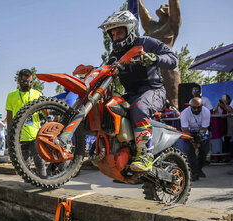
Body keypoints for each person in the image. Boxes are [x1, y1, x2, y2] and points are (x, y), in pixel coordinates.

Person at [76, 10, 178, 172]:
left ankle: (145, 155)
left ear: (130, 29)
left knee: (140, 108)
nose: (116, 36)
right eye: (113, 34)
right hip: (130, 94)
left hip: (153, 90)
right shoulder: (115, 53)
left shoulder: (146, 43)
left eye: (119, 32)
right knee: (107, 110)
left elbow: (173, 59)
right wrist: (92, 70)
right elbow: (106, 70)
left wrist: (153, 57)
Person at [138, 0, 181, 108]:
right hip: (152, 65)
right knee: (154, 99)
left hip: (168, 65)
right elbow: (143, 14)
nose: (162, 6)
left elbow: (175, 6)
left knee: (172, 102)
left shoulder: (172, 24)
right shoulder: (152, 26)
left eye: (165, 6)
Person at [6, 68, 46, 176]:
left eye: (30, 82)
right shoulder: (11, 96)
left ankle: (44, 182)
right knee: (24, 166)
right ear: (19, 81)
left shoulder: (37, 94)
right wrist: (9, 135)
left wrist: (46, 109)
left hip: (35, 136)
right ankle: (28, 186)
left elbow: (46, 113)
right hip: (19, 138)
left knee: (40, 163)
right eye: (25, 82)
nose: (28, 84)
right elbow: (9, 118)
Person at [180, 97, 211, 181]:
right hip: (188, 133)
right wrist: (193, 141)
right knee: (190, 152)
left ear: (202, 106)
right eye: (194, 108)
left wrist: (199, 138)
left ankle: (199, 168)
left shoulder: (206, 112)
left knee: (205, 151)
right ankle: (194, 172)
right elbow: (185, 130)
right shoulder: (185, 113)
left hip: (201, 131)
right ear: (190, 106)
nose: (196, 109)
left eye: (199, 107)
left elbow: (204, 128)